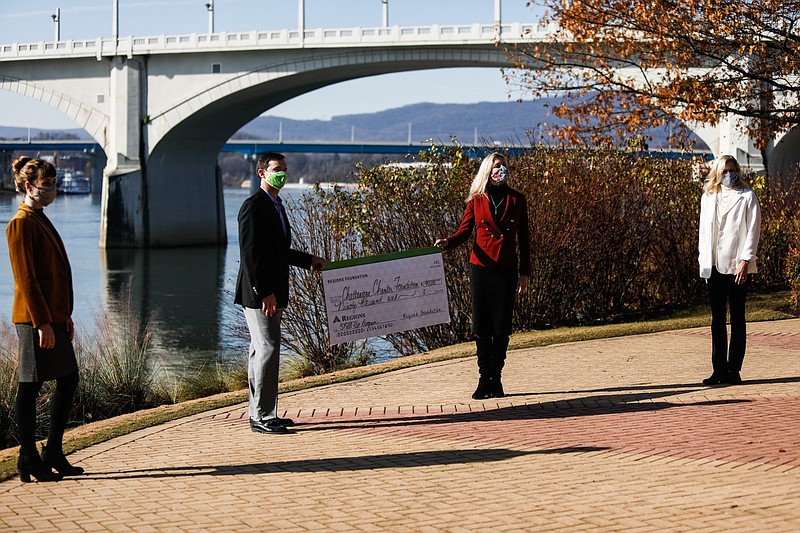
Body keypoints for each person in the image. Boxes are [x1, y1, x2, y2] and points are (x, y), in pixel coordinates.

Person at [235, 152, 325, 434]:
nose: (282, 174)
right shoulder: (254, 206)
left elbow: (278, 252)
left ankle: (262, 412)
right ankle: (262, 416)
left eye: (285, 169)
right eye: (277, 169)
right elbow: (252, 256)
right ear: (261, 172)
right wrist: (265, 293)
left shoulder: (277, 205)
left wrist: (308, 260)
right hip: (261, 295)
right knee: (268, 349)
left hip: (272, 290)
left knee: (260, 351)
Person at [6, 156, 85, 482]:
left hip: (52, 319)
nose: (52, 189)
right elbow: (28, 281)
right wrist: (42, 324)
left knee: (67, 379)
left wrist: (63, 315)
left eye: (54, 183)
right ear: (29, 186)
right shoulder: (21, 223)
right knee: (31, 385)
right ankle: (28, 457)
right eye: (47, 184)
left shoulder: (39, 217)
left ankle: (52, 450)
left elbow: (55, 275)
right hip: (34, 321)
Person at [435, 152, 530, 399]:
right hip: (481, 268)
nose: (502, 170)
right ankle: (483, 378)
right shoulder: (476, 200)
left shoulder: (517, 199)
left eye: (504, 166)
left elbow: (524, 239)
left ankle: (496, 378)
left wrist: (524, 273)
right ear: (487, 170)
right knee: (482, 328)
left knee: (501, 329)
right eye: (497, 166)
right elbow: (464, 231)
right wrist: (447, 243)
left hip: (506, 270)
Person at [697, 155, 761, 385]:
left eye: (733, 170)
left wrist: (745, 260)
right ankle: (718, 370)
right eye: (725, 170)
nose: (729, 174)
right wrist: (703, 261)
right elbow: (704, 233)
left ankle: (734, 370)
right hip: (713, 265)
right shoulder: (709, 197)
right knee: (717, 320)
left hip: (737, 266)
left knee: (737, 317)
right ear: (717, 172)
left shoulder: (747, 197)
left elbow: (753, 231)